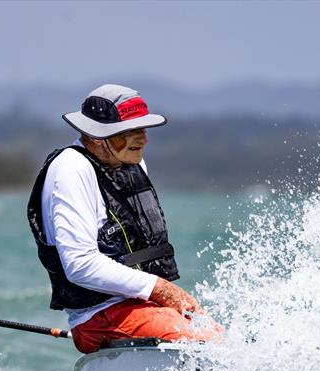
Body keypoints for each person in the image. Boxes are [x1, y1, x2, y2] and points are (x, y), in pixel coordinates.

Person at [27, 84, 221, 353]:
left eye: (143, 130)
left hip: (140, 305)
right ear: (95, 136)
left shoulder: (130, 162)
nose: (143, 139)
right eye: (130, 131)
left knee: (219, 337)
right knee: (200, 343)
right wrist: (160, 289)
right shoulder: (71, 169)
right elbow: (79, 265)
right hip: (98, 316)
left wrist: (160, 295)